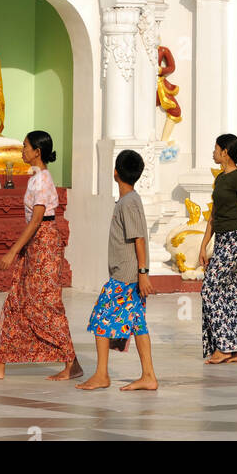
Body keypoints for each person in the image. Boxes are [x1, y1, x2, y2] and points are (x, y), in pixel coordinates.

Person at [0, 131, 80, 382]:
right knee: (16, 300)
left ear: (37, 152)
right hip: (35, 244)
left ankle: (70, 361)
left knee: (45, 303)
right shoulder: (35, 179)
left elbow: (38, 220)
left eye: (25, 146)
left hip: (43, 244)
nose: (21, 150)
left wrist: (12, 251)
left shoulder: (42, 180)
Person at [79, 149, 157, 393]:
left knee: (100, 318)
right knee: (137, 323)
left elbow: (139, 240)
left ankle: (102, 374)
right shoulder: (128, 201)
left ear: (115, 173)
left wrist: (142, 273)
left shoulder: (129, 203)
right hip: (129, 274)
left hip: (126, 276)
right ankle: (148, 376)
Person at [198, 134, 237, 365]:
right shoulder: (221, 179)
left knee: (209, 289)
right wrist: (204, 245)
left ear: (225, 152)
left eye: (216, 149)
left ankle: (224, 346)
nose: (213, 152)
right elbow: (213, 216)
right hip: (221, 239)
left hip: (235, 240)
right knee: (230, 292)